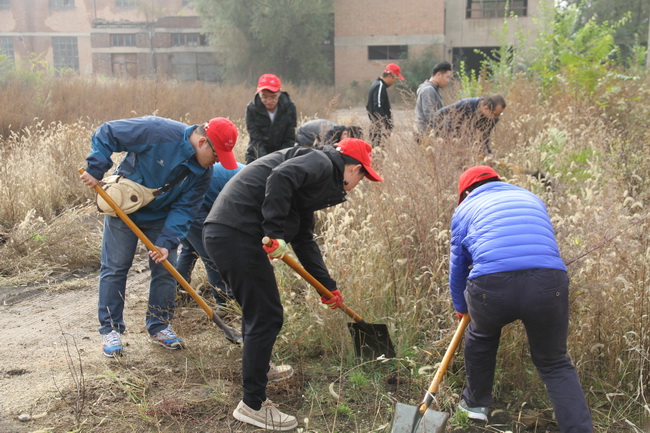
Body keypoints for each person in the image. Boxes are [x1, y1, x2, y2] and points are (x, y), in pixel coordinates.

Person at [203, 138, 382, 431]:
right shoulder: (321, 162)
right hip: (235, 233)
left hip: (230, 232)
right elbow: (280, 176)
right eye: (363, 175)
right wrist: (274, 231)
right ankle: (253, 404)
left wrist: (328, 286)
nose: (361, 182)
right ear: (353, 168)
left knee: (257, 310)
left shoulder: (310, 182)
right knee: (268, 315)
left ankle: (260, 369)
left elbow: (303, 238)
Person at [79, 116, 239, 358]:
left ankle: (159, 325)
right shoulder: (158, 131)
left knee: (165, 268)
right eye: (216, 156)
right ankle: (111, 330)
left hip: (160, 216)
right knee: (116, 267)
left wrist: (167, 242)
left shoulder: (202, 174)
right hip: (125, 205)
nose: (216, 162)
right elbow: (108, 132)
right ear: (203, 142)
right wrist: (95, 168)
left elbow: (185, 210)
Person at [448, 166, 593, 432]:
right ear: (498, 181)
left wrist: (462, 308)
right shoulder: (531, 198)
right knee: (554, 361)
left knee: (480, 336)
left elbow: (459, 266)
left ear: (466, 191)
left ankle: (475, 406)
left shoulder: (464, 208)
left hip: (491, 286)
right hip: (549, 283)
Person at [176, 161, 245, 311]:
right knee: (212, 253)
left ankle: (177, 291)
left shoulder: (257, 178)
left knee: (190, 249)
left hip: (190, 197)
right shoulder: (256, 187)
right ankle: (226, 302)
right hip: (194, 203)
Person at [245, 73, 297, 164]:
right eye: (264, 97)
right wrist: (266, 161)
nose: (269, 101)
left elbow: (290, 138)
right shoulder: (251, 108)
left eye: (273, 97)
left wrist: (279, 159)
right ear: (258, 93)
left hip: (283, 155)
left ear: (279, 93)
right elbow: (255, 139)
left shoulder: (289, 107)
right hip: (257, 154)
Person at [434, 94, 506, 157]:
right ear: (486, 108)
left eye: (500, 114)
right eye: (496, 114)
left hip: (466, 143)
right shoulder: (466, 104)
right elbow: (438, 115)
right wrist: (438, 137)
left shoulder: (493, 118)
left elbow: (485, 136)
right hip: (449, 139)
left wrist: (488, 153)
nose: (497, 117)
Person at [366, 63, 404, 147]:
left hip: (377, 128)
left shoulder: (378, 85)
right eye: (395, 79)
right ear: (390, 76)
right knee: (378, 153)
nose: (395, 81)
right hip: (379, 129)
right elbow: (377, 107)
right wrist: (384, 126)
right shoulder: (379, 86)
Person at [414, 61, 453, 142]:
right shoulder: (428, 89)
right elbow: (430, 115)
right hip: (425, 135)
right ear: (438, 74)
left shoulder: (433, 89)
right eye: (447, 77)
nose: (448, 80)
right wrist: (446, 127)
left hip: (428, 134)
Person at [295, 118, 363, 148]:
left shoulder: (337, 130)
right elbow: (326, 150)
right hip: (304, 135)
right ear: (345, 133)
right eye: (348, 141)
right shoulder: (331, 132)